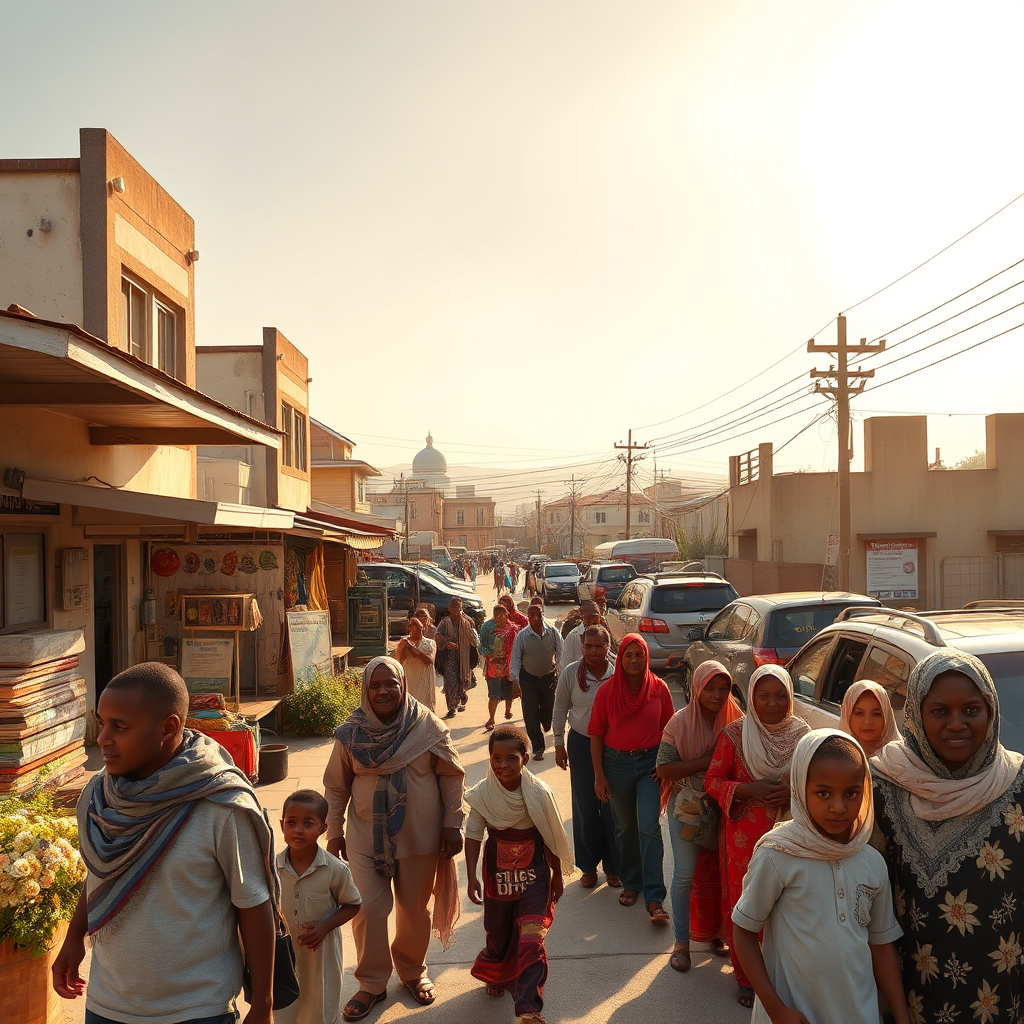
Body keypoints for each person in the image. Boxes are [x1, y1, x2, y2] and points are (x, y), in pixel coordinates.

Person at [53, 663, 277, 1024]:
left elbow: (253, 904)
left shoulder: (220, 806)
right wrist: (74, 937)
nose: (102, 738)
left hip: (197, 1009)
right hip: (107, 1003)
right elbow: (102, 871)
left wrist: (263, 1004)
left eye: (119, 727)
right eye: (102, 722)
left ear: (169, 727)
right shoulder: (98, 796)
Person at [872, 649, 1024, 1023]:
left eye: (971, 710)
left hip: (1005, 998)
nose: (957, 723)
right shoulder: (882, 786)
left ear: (990, 712)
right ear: (916, 717)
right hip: (909, 1002)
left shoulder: (1017, 783)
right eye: (940, 711)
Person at [732, 730, 909, 1024]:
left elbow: (880, 945)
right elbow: (744, 931)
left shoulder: (871, 862)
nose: (839, 807)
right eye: (823, 793)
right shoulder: (778, 854)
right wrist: (776, 1009)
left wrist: (902, 1017)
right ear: (801, 789)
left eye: (851, 793)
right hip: (792, 1016)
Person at [324, 657, 465, 1020]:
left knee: (414, 910)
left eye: (391, 684)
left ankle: (413, 971)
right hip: (364, 838)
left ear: (403, 686)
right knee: (368, 909)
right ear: (366, 691)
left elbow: (450, 776)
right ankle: (371, 982)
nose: (384, 691)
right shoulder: (350, 734)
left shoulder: (426, 727)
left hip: (420, 837)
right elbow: (336, 787)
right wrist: (334, 830)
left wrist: (453, 823)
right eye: (376, 685)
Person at [704, 664, 810, 1007]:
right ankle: (746, 978)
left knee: (789, 905)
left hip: (793, 838)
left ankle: (783, 974)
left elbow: (818, 781)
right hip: (743, 843)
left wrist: (794, 795)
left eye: (781, 695)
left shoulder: (804, 737)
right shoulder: (735, 736)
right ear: (750, 697)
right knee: (747, 905)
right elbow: (713, 781)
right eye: (763, 696)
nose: (773, 703)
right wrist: (748, 789)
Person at [465, 725, 574, 1024]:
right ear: (489, 758)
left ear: (525, 759)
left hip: (534, 879)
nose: (503, 765)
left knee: (531, 939)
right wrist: (471, 875)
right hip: (497, 877)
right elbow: (473, 834)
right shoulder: (483, 794)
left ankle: (528, 1007)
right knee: (497, 936)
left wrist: (556, 876)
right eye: (496, 758)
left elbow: (550, 836)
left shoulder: (538, 793)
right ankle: (496, 972)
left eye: (511, 758)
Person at [656, 661, 743, 971]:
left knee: (721, 875)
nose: (718, 695)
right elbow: (664, 769)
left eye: (724, 688)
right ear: (696, 687)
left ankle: (715, 933)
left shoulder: (737, 719)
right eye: (710, 688)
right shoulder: (679, 723)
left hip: (726, 807)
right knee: (685, 874)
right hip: (690, 806)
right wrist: (707, 761)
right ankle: (681, 943)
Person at [589, 634, 675, 924]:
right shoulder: (606, 692)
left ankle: (654, 897)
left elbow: (670, 731)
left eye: (639, 654)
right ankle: (632, 883)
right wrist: (599, 776)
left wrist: (665, 764)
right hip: (616, 764)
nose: (634, 660)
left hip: (650, 764)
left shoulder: (659, 689)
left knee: (649, 827)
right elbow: (596, 735)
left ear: (646, 657)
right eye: (629, 655)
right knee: (624, 826)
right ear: (620, 657)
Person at [277, 789, 363, 1024]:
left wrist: (326, 926)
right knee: (285, 1012)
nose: (298, 830)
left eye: (308, 823)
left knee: (319, 1011)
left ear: (323, 829)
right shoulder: (273, 869)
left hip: (321, 960)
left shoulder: (335, 869)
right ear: (282, 824)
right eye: (292, 823)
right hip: (284, 957)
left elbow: (353, 904)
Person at [553, 625, 621, 889]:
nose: (593, 651)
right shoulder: (571, 674)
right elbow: (560, 707)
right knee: (585, 806)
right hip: (580, 744)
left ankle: (614, 867)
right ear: (581, 647)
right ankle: (589, 867)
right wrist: (559, 743)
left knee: (612, 806)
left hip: (613, 746)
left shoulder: (618, 673)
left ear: (608, 647)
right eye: (588, 646)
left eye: (598, 646)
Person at [510, 603, 564, 761]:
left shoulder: (553, 632)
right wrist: (515, 680)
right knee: (530, 713)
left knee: (549, 712)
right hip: (528, 679)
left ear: (543, 614)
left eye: (538, 614)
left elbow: (561, 655)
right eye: (532, 615)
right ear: (527, 617)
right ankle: (538, 747)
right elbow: (515, 659)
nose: (535, 618)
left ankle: (546, 721)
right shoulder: (522, 636)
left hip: (549, 677)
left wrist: (562, 676)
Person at [479, 604, 521, 730]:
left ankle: (508, 711)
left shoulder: (513, 630)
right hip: (493, 667)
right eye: (496, 616)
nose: (498, 618)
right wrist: (489, 654)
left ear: (507, 615)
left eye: (501, 615)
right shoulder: (487, 627)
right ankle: (491, 718)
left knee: (509, 692)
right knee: (493, 694)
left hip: (508, 666)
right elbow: (481, 646)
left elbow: (518, 648)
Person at [436, 596, 480, 720]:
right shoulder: (445, 622)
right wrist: (447, 643)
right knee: (450, 682)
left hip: (464, 657)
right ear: (449, 609)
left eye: (458, 609)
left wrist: (467, 639)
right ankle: (451, 708)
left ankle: (462, 696)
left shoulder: (468, 621)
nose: (456, 612)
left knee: (462, 681)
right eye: (453, 609)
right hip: (450, 658)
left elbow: (475, 639)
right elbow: (438, 636)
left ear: (461, 609)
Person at [838, 679, 902, 757]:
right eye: (859, 713)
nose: (867, 722)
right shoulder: (836, 757)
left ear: (887, 716)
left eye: (876, 714)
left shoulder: (901, 758)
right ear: (847, 715)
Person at [395, 614, 437, 711]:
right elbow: (399, 662)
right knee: (411, 709)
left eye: (418, 629)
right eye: (412, 629)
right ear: (409, 630)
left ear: (422, 630)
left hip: (425, 683)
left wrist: (411, 649)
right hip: (410, 681)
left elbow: (428, 660)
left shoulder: (430, 643)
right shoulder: (403, 643)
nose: (415, 632)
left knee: (426, 710)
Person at [561, 600, 602, 667]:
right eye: (591, 616)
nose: (594, 619)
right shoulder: (573, 637)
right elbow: (565, 665)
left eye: (597, 616)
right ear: (583, 616)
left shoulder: (603, 634)